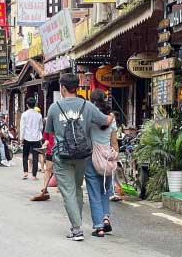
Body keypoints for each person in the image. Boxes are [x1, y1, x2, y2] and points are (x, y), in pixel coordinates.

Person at [44, 73, 114, 241]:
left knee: (68, 191)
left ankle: (76, 229)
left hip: (62, 156)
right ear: (77, 87)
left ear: (62, 88)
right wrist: (112, 116)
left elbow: (50, 131)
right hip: (82, 156)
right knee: (76, 189)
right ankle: (77, 224)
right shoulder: (87, 106)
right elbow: (105, 121)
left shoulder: (55, 107)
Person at [84, 90, 118, 237]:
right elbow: (114, 142)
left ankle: (99, 226)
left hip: (91, 157)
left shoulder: (89, 116)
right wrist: (115, 158)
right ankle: (105, 217)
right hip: (107, 158)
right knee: (106, 190)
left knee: (94, 191)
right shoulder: (111, 117)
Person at [19, 97, 44, 180]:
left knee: (25, 155)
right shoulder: (39, 115)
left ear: (27, 105)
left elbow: (22, 127)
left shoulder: (24, 114)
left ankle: (25, 172)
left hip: (27, 138)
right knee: (35, 157)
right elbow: (41, 127)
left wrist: (21, 138)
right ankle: (34, 175)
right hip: (36, 138)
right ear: (34, 105)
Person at [30, 130, 55, 201]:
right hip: (52, 151)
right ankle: (45, 189)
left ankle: (45, 190)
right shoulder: (51, 123)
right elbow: (47, 138)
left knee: (50, 170)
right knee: (48, 170)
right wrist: (44, 144)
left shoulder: (51, 123)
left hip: (58, 151)